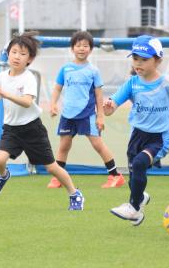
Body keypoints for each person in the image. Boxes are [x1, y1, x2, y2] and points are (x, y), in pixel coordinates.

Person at [103, 35, 169, 226]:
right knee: (135, 175)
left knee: (138, 164)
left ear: (158, 60)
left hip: (160, 138)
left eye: (144, 59)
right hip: (136, 135)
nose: (138, 63)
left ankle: (133, 207)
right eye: (135, 59)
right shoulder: (132, 83)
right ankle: (140, 202)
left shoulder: (168, 82)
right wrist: (108, 107)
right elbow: (113, 105)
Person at [0, 32, 84, 210]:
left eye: (23, 54)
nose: (17, 56)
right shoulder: (1, 77)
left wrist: (6, 94)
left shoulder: (28, 78)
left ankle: (74, 193)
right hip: (11, 129)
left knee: (51, 167)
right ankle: (3, 176)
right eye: (14, 52)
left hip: (32, 129)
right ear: (8, 54)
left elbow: (26, 102)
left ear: (29, 59)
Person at [48, 31, 125, 189]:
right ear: (72, 48)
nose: (81, 48)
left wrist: (100, 117)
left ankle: (116, 176)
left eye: (85, 46)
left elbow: (98, 95)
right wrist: (53, 104)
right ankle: (59, 178)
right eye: (78, 45)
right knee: (64, 146)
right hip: (67, 114)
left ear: (90, 49)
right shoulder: (65, 69)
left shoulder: (93, 71)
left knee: (97, 144)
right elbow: (57, 88)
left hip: (87, 115)